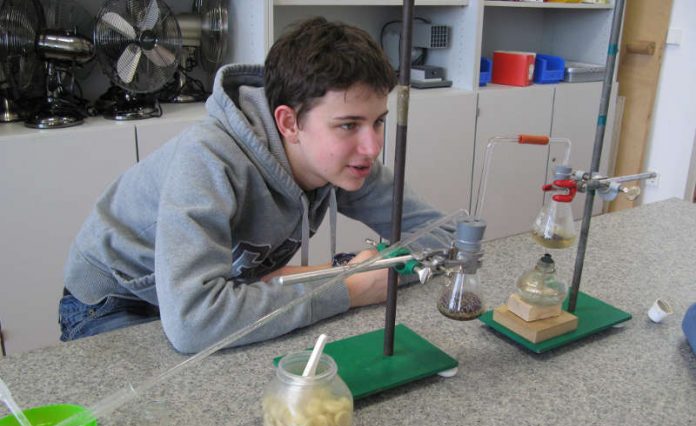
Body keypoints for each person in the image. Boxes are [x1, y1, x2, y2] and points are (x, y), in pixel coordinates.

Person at [59, 17, 453, 354]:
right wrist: (346, 287)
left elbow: (443, 237)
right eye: (348, 125)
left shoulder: (347, 160)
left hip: (203, 294)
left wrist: (374, 272)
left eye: (379, 121)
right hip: (117, 301)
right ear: (288, 123)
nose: (372, 146)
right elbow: (194, 322)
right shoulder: (209, 159)